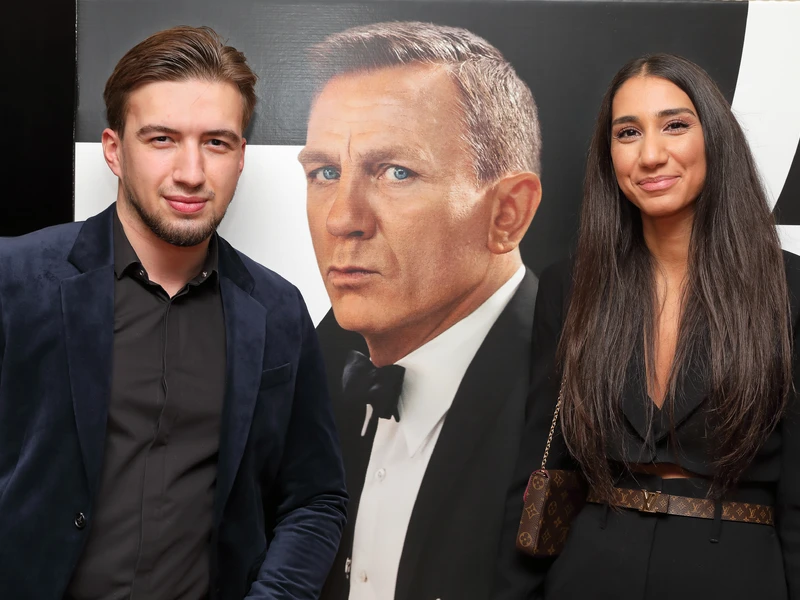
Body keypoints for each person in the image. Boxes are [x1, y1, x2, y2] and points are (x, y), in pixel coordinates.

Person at [0, 26, 347, 600]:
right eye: (162, 139)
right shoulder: (14, 280)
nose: (191, 172)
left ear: (241, 157)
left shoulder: (278, 310)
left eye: (216, 142)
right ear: (114, 150)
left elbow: (315, 497)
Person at [494, 52, 800, 600]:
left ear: (715, 138)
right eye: (628, 133)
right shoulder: (571, 286)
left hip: (735, 574)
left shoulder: (788, 288)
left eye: (675, 125)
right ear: (608, 154)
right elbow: (540, 464)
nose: (651, 154)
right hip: (588, 571)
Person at [297, 21, 542, 600]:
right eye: (325, 172)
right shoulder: (302, 376)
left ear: (507, 213)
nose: (341, 219)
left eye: (396, 172)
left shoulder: (586, 394)